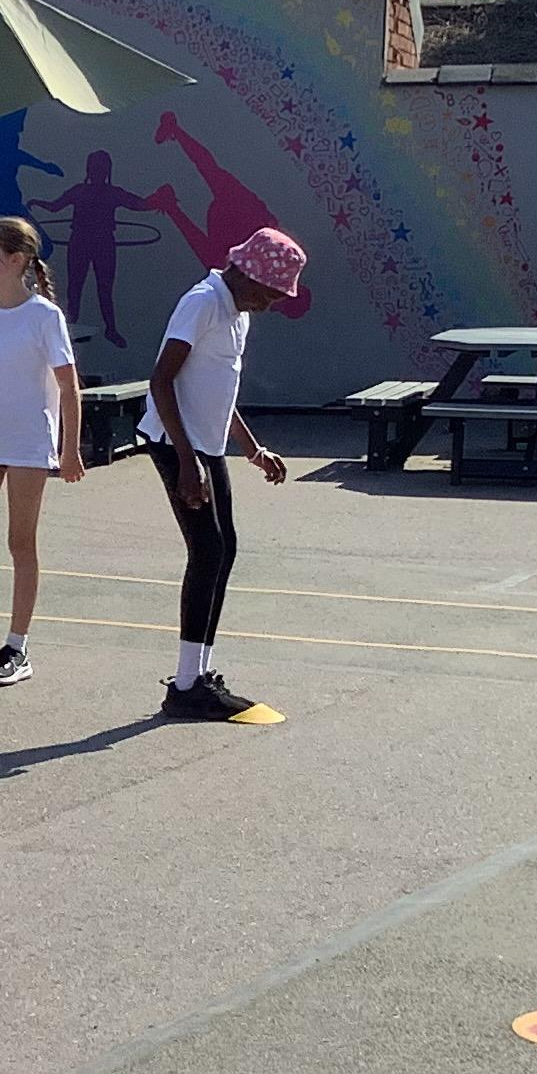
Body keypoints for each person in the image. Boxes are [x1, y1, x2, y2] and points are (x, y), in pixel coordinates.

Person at [139, 227, 302, 722]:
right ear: (247, 274)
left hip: (205, 448)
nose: (271, 305)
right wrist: (187, 462)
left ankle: (200, 675)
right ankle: (186, 686)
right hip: (176, 443)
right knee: (207, 552)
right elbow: (161, 381)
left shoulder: (237, 314)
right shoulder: (203, 302)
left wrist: (252, 449)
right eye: (271, 293)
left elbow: (220, 390)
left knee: (224, 550)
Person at [0, 216, 81, 687]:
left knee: (20, 543)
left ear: (16, 260)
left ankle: (17, 647)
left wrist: (69, 450)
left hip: (30, 443)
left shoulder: (45, 316)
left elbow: (68, 387)